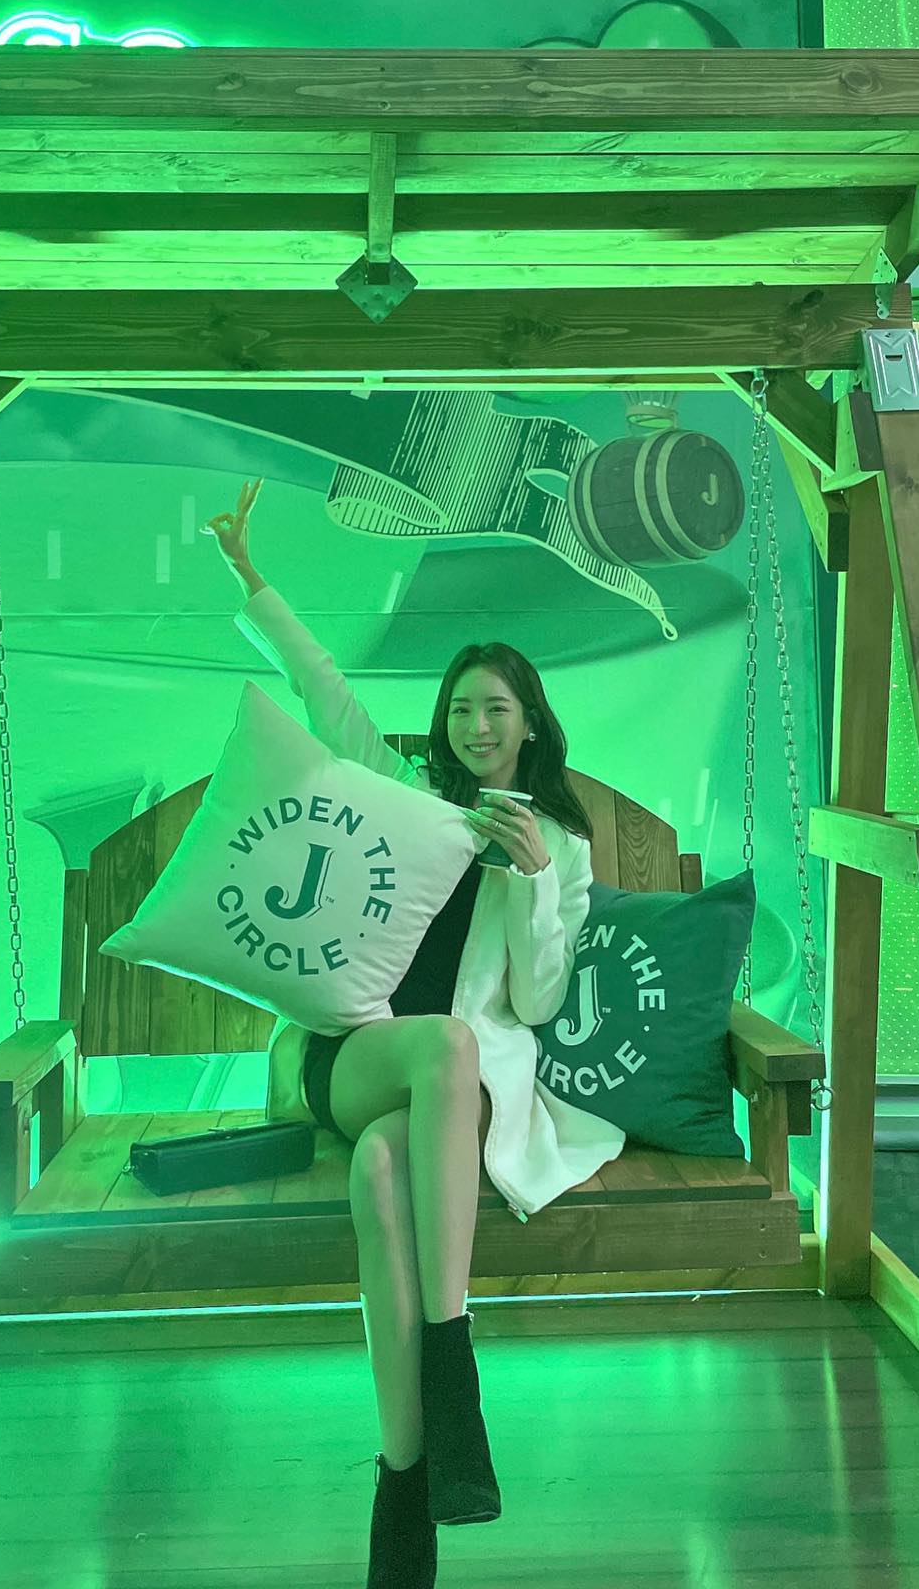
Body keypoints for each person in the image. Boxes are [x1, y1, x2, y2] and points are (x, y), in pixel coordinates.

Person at [205, 478, 624, 1589]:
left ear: (530, 724)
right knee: (438, 1042)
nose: (477, 727)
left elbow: (539, 1004)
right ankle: (454, 1359)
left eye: (497, 710)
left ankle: (405, 1479)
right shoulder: (406, 797)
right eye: (461, 710)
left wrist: (531, 883)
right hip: (360, 1057)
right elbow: (327, 697)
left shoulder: (562, 848)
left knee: (380, 1171)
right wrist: (253, 577)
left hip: (452, 1098)